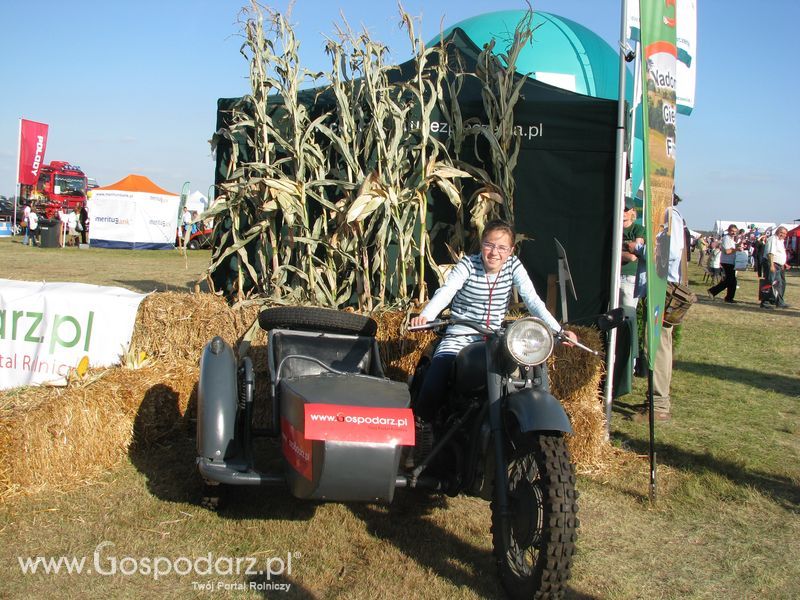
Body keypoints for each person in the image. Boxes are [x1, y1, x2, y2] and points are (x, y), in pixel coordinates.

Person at [409, 220, 578, 426]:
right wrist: (426, 315)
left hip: (496, 338)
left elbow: (533, 300)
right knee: (436, 378)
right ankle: (421, 427)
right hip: (460, 335)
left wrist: (558, 331)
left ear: (511, 250)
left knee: (525, 373)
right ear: (481, 244)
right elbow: (447, 292)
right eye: (489, 245)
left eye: (502, 247)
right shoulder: (468, 265)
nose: (494, 253)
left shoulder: (513, 265)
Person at [632, 192, 686, 422]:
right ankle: (656, 400)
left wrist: (638, 248)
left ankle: (659, 404)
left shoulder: (667, 215)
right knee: (659, 346)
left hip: (663, 289)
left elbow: (668, 254)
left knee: (658, 348)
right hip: (663, 288)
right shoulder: (669, 216)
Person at [620, 197, 645, 310]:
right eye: (621, 209)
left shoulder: (638, 229)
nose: (623, 212)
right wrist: (626, 247)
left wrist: (616, 250)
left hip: (629, 277)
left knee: (627, 313)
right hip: (611, 275)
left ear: (633, 212)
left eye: (626, 209)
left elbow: (633, 256)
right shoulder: (613, 228)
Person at [707, 224, 740, 303]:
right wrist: (736, 249)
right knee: (729, 280)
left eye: (735, 231)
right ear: (728, 230)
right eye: (732, 231)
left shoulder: (731, 239)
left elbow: (732, 249)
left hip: (731, 262)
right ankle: (713, 291)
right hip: (727, 262)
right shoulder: (726, 239)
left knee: (733, 281)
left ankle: (729, 298)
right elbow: (727, 251)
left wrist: (738, 245)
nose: (733, 233)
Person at [761, 226, 790, 309]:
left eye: (785, 234)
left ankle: (779, 302)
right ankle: (765, 302)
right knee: (769, 282)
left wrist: (784, 263)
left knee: (779, 284)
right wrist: (772, 265)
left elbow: (779, 254)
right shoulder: (773, 239)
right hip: (772, 263)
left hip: (778, 265)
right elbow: (770, 253)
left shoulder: (780, 241)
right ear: (778, 232)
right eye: (783, 233)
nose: (784, 235)